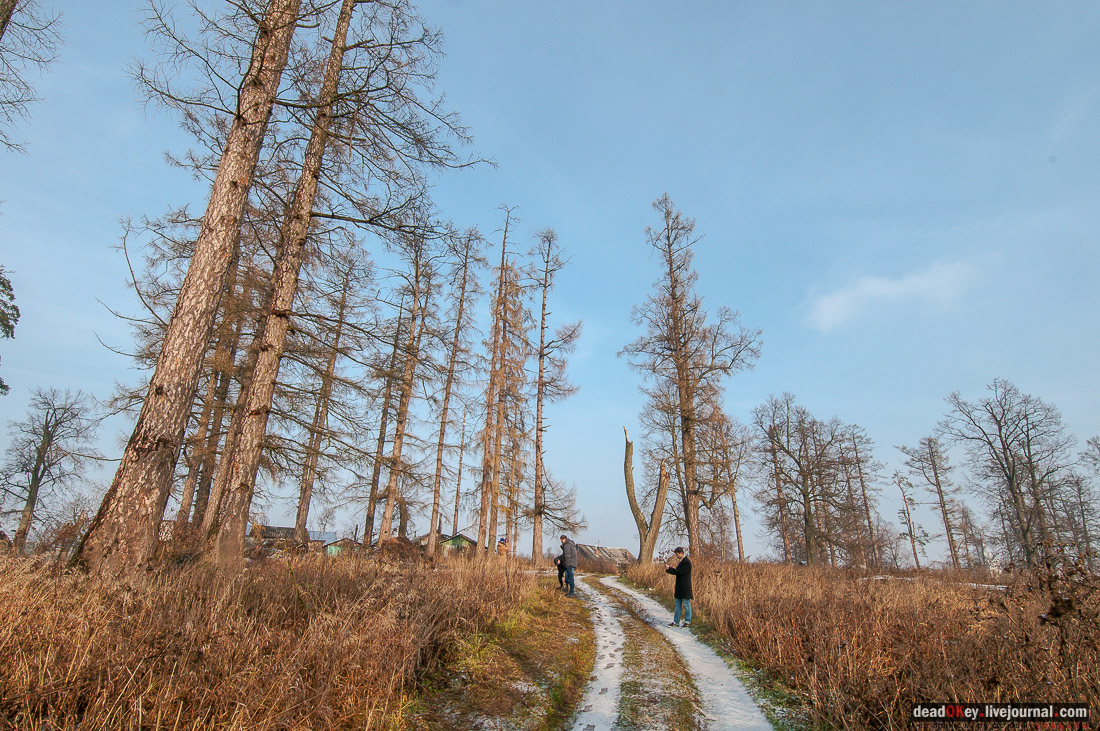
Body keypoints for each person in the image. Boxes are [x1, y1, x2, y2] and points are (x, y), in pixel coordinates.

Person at [664, 546, 693, 627]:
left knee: (686, 604)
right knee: (677, 605)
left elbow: (679, 572)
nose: (676, 556)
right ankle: (676, 622)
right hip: (679, 587)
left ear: (681, 553)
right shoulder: (681, 562)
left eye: (677, 554)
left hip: (685, 587)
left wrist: (669, 569)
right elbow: (677, 572)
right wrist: (669, 569)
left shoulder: (687, 562)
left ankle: (687, 621)